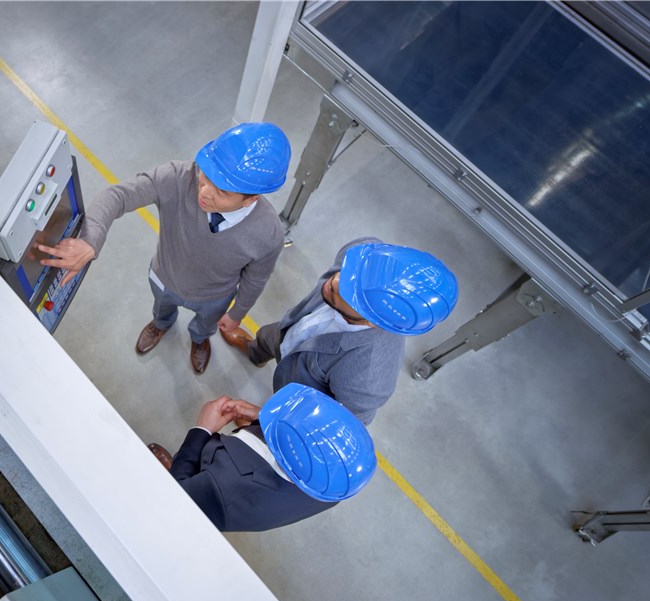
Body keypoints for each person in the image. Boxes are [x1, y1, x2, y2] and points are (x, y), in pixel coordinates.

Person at [37, 123, 291, 374]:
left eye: (222, 191)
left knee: (205, 325)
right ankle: (161, 324)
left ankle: (199, 339)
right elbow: (118, 196)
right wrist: (90, 240)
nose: (204, 191)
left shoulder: (268, 233)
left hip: (214, 297)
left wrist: (237, 312)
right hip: (164, 276)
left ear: (251, 198)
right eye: (207, 174)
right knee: (161, 308)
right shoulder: (178, 178)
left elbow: (256, 279)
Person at [221, 238, 458, 424]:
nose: (334, 281)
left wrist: (267, 419)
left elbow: (336, 421)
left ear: (373, 322)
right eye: (348, 274)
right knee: (267, 338)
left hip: (295, 385)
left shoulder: (367, 379)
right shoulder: (363, 253)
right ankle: (255, 352)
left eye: (349, 294)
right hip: (289, 331)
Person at [157, 383, 376, 532]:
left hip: (199, 490)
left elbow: (178, 499)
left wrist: (201, 429)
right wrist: (266, 420)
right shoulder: (333, 485)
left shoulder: (224, 490)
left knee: (181, 474)